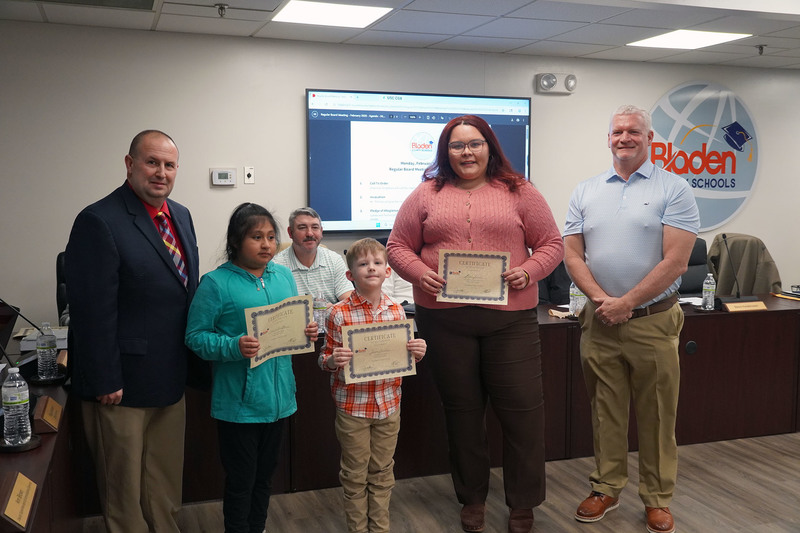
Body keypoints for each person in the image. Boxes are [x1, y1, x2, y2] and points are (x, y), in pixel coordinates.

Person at [387, 115, 564, 533]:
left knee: (523, 413)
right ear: (445, 152)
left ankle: (523, 504)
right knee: (463, 415)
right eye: (457, 145)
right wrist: (417, 273)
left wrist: (530, 271)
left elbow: (552, 244)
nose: (467, 152)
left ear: (490, 147)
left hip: (511, 321)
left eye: (475, 143)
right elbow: (397, 246)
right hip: (445, 320)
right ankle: (472, 498)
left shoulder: (520, 191)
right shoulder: (426, 193)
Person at [563, 105, 699, 533]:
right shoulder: (585, 190)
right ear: (608, 139)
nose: (624, 137)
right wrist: (604, 300)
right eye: (617, 131)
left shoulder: (674, 189)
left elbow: (676, 262)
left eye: (633, 131)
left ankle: (657, 499)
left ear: (650, 137)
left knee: (658, 414)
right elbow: (571, 254)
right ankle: (606, 487)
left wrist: (627, 303)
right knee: (606, 411)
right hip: (599, 321)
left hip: (652, 321)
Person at [65, 130, 199, 533]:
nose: (161, 172)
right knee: (122, 490)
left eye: (169, 165)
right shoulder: (98, 220)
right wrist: (105, 377)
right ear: (129, 164)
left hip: (170, 375)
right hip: (119, 384)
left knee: (163, 480)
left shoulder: (181, 214)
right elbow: (91, 312)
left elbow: (183, 290)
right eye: (152, 162)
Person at [185, 203, 319, 533]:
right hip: (239, 404)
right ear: (236, 240)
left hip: (279, 399)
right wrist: (233, 346)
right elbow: (195, 336)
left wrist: (307, 329)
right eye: (256, 237)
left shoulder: (283, 276)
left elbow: (290, 323)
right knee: (241, 481)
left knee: (264, 479)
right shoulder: (216, 283)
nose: (266, 245)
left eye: (271, 237)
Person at [319, 238, 427, 533]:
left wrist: (416, 351)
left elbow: (401, 356)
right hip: (353, 406)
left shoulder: (397, 311)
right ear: (350, 275)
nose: (371, 268)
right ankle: (358, 529)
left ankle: (379, 528)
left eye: (377, 263)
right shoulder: (337, 313)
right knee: (354, 474)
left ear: (388, 271)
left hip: (390, 404)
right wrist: (332, 360)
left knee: (382, 471)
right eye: (363, 264)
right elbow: (323, 359)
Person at [273, 207, 353, 305]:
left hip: (331, 318)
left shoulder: (334, 260)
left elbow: (348, 301)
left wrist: (331, 311)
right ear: (290, 232)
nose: (310, 233)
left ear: (321, 231)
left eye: (315, 227)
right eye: (302, 228)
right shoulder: (277, 266)